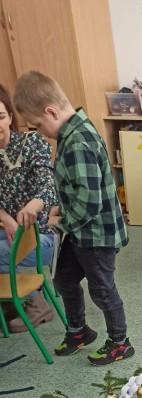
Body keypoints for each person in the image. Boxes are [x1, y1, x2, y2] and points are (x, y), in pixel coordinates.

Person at [14, 71, 134, 365]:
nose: (40, 132)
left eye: (39, 125)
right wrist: (61, 207)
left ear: (51, 112)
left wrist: (61, 221)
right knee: (65, 279)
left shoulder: (78, 142)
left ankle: (120, 343)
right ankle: (79, 331)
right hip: (80, 232)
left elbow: (89, 204)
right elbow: (78, 187)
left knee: (102, 291)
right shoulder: (72, 132)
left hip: (96, 235)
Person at [0, 83, 58, 331]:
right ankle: (11, 300)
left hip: (43, 236)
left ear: (10, 117)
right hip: (11, 232)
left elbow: (48, 184)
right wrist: (5, 216)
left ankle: (36, 303)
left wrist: (32, 206)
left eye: (0, 117)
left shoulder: (32, 142)